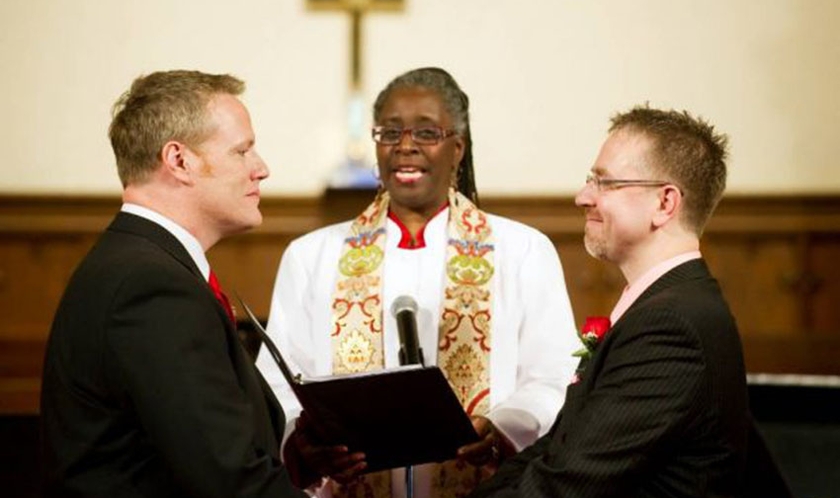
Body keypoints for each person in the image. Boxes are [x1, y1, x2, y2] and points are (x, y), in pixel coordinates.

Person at [256, 67, 579, 497]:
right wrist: (308, 443)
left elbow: (553, 374)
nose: (405, 146)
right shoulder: (312, 256)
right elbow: (278, 383)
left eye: (426, 133)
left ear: (457, 147)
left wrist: (502, 428)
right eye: (390, 133)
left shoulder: (522, 251)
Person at [468, 105, 770, 497]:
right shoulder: (665, 306)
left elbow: (566, 484)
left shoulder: (672, 326)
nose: (582, 197)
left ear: (665, 203)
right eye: (590, 180)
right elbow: (556, 449)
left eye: (605, 183)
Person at [40, 70, 307, 498]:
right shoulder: (151, 287)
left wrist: (306, 457)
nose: (262, 169)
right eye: (243, 151)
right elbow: (229, 480)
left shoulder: (142, 263)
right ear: (179, 161)